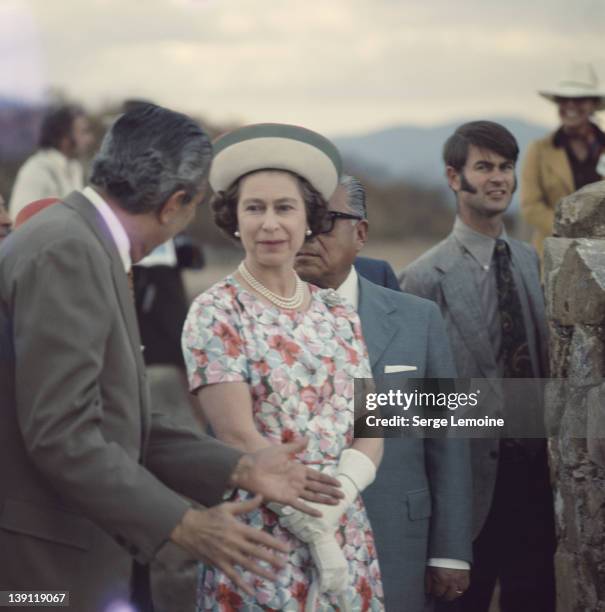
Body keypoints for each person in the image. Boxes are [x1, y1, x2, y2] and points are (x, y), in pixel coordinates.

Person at [0, 105, 343, 612]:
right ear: (175, 203)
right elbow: (63, 434)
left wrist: (238, 467)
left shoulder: (81, 242)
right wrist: (184, 524)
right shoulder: (68, 252)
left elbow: (119, 418)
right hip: (48, 572)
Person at [182, 124, 384, 611]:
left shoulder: (338, 311)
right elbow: (235, 437)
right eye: (255, 208)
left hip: (345, 532)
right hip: (263, 538)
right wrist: (310, 528)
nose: (270, 223)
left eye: (284, 207)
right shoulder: (216, 312)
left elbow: (370, 425)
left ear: (309, 219)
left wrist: (337, 508)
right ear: (234, 220)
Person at [295, 174, 473, 611]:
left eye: (323, 220)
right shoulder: (250, 322)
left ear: (361, 232)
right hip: (289, 545)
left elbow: (447, 438)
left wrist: (450, 549)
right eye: (296, 216)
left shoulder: (418, 320)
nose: (304, 233)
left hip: (396, 536)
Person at [400, 121, 556, 612]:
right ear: (454, 177)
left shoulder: (532, 261)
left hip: (537, 483)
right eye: (483, 166)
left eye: (506, 167)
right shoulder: (424, 277)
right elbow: (402, 406)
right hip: (467, 492)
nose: (498, 179)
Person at [522, 62, 605, 261]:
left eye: (579, 99)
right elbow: (530, 206)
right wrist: (569, 230)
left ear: (593, 104)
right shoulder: (539, 150)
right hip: (554, 257)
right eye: (564, 99)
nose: (571, 105)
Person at [8, 104, 94, 219]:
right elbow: (19, 219)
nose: (90, 139)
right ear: (64, 137)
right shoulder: (36, 169)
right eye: (83, 132)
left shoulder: (75, 167)